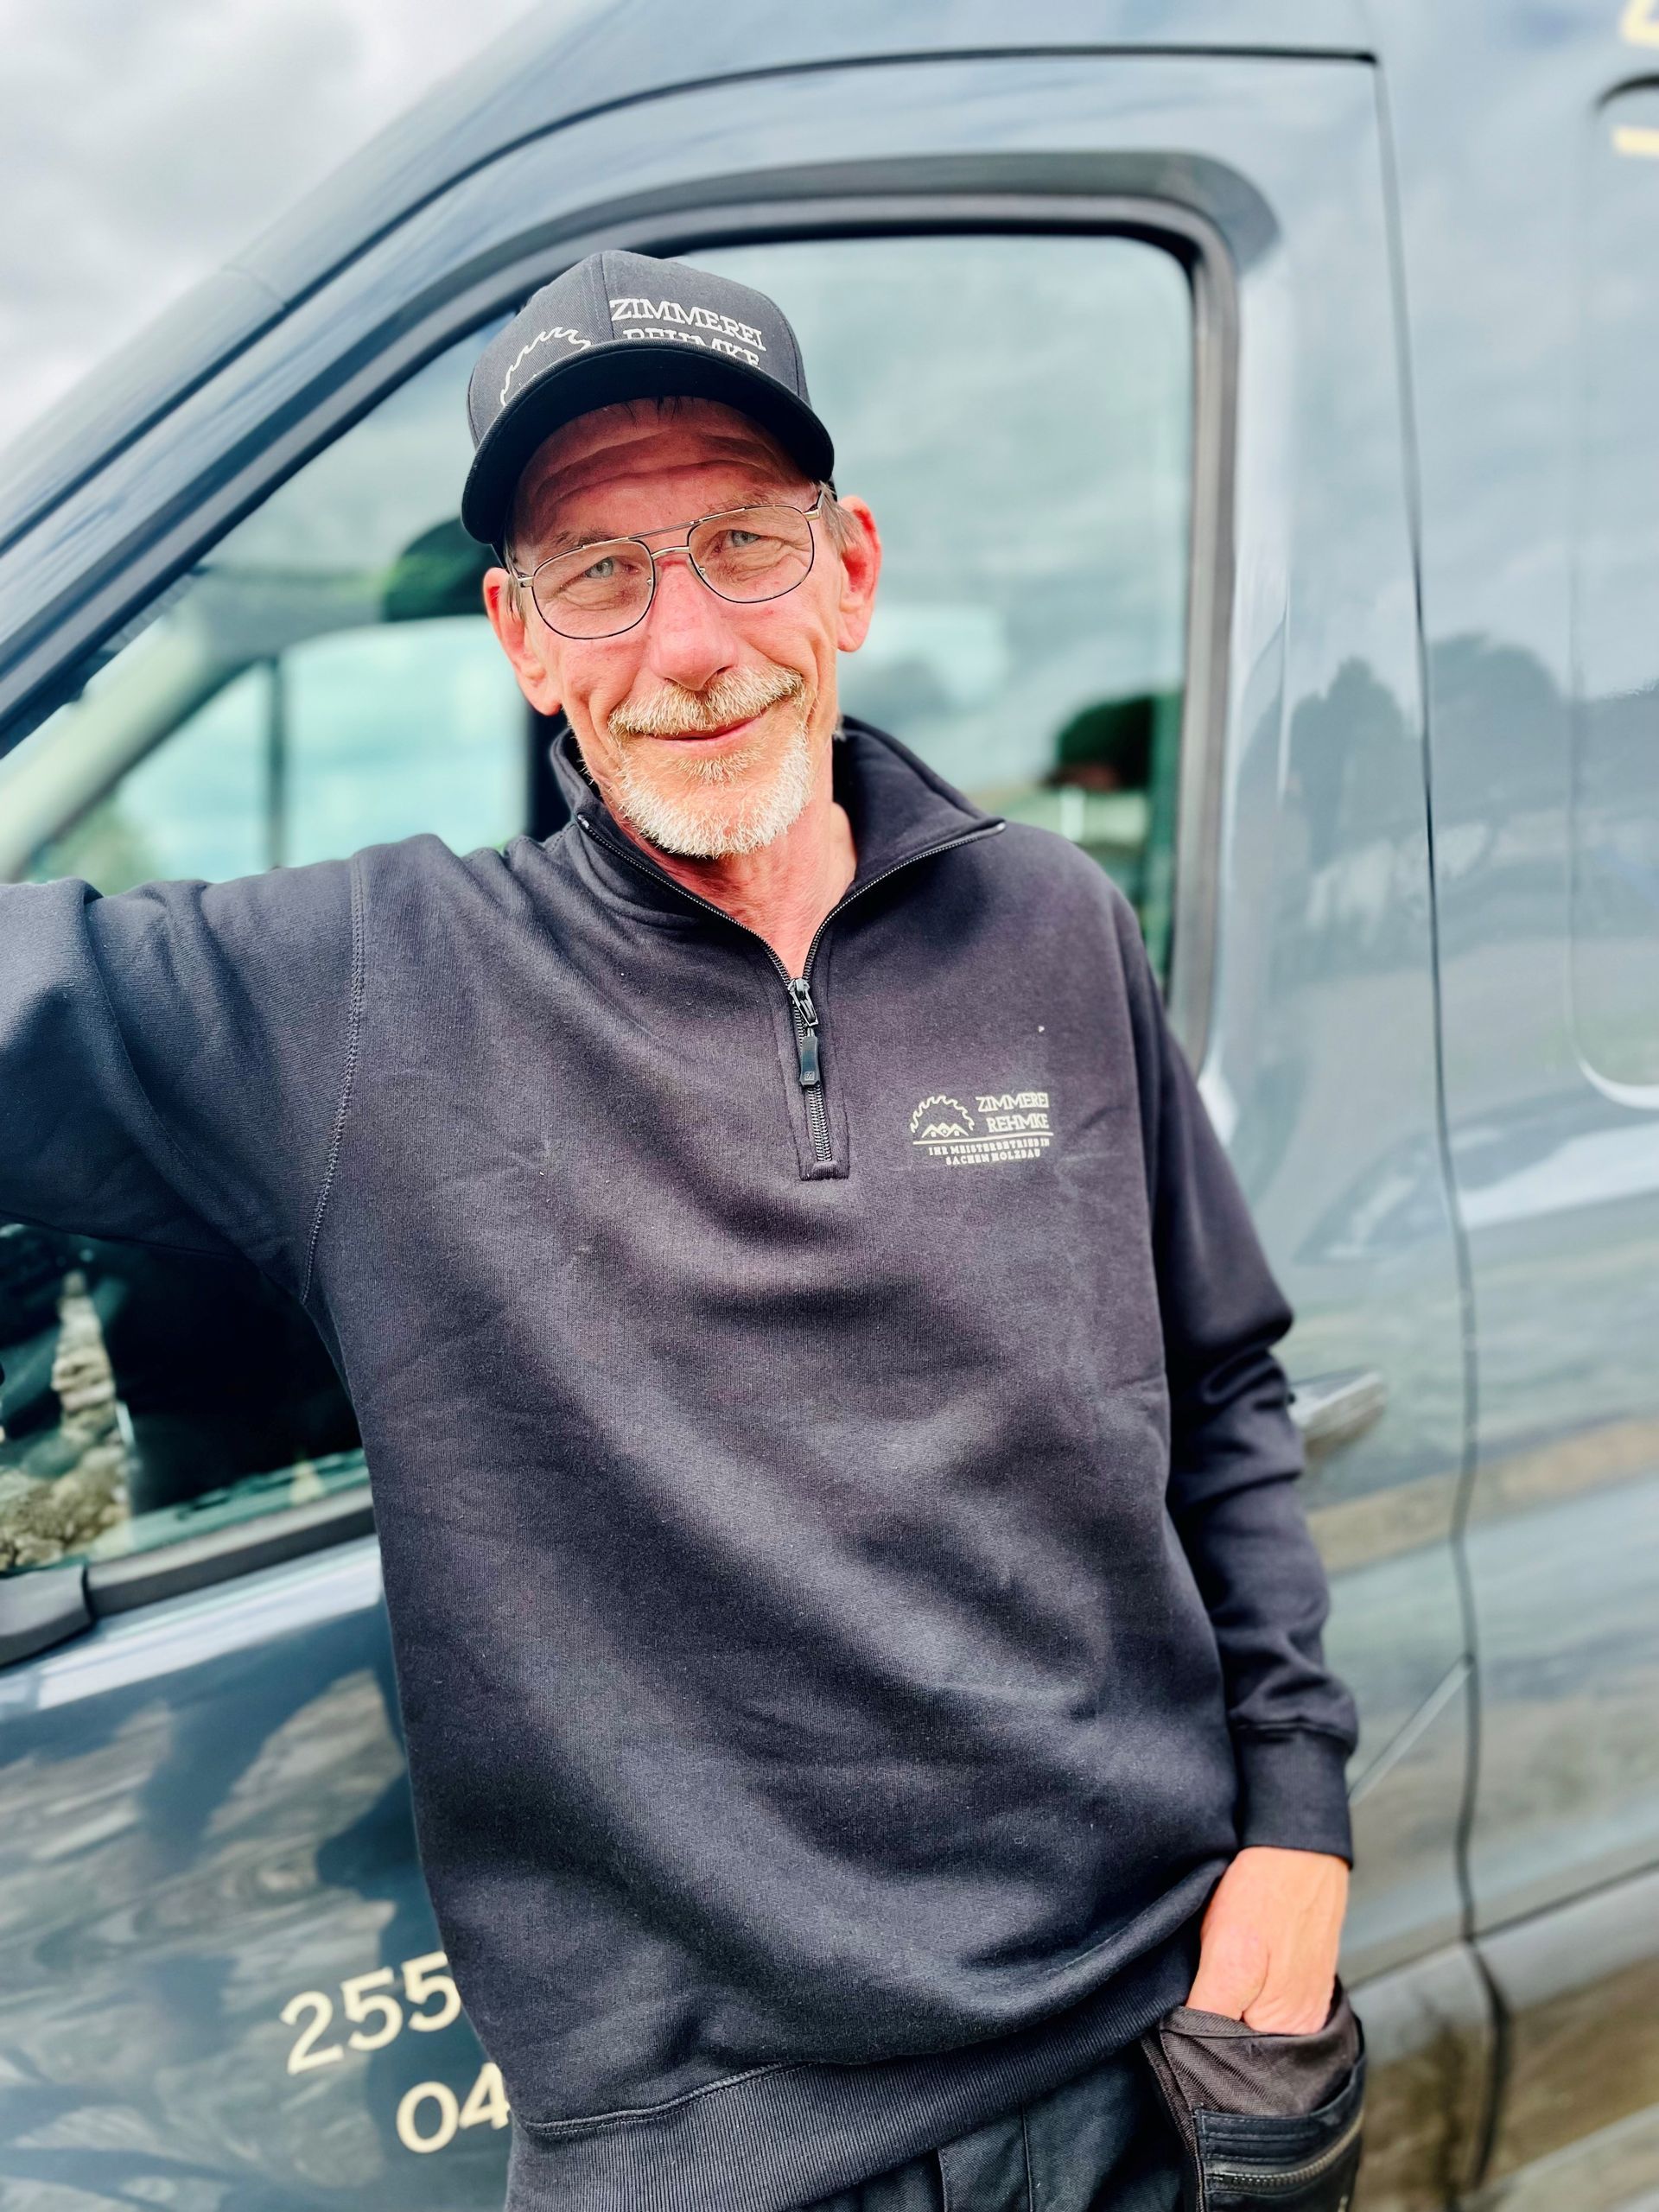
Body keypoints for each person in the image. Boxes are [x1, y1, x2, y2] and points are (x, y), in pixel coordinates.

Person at [0, 251, 1357, 2212]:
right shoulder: (368, 999)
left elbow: (1219, 1381)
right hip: (723, 2159)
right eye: (600, 575)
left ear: (850, 569)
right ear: (521, 640)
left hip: (1159, 2057)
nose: (692, 643)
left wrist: (1298, 1827)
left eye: (741, 542)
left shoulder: (1054, 925)